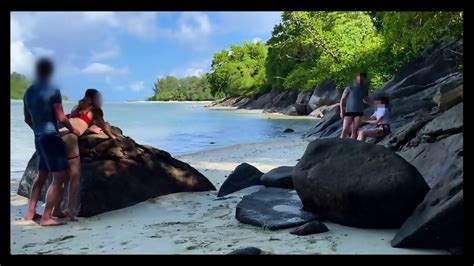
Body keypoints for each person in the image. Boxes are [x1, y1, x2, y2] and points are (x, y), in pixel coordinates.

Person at [23, 57, 81, 226]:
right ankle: (47, 217)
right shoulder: (53, 91)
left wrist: (38, 131)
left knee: (41, 175)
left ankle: (31, 213)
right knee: (59, 176)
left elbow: (27, 119)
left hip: (38, 137)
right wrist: (73, 130)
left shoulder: (29, 92)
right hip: (51, 137)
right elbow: (62, 117)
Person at [53, 89, 117, 221]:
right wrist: (112, 136)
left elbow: (75, 122)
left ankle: (56, 209)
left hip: (58, 134)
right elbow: (104, 127)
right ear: (94, 99)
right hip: (70, 138)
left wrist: (89, 128)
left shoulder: (76, 107)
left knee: (60, 177)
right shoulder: (95, 111)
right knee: (74, 176)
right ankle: (70, 210)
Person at [340, 72, 371, 139]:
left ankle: (351, 146)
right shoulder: (349, 88)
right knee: (345, 130)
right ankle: (340, 143)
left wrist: (374, 104)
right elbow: (342, 99)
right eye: (359, 77)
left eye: (362, 77)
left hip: (358, 112)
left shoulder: (364, 89)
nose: (360, 79)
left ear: (364, 79)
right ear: (356, 78)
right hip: (349, 111)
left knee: (354, 131)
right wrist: (341, 111)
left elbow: (365, 99)